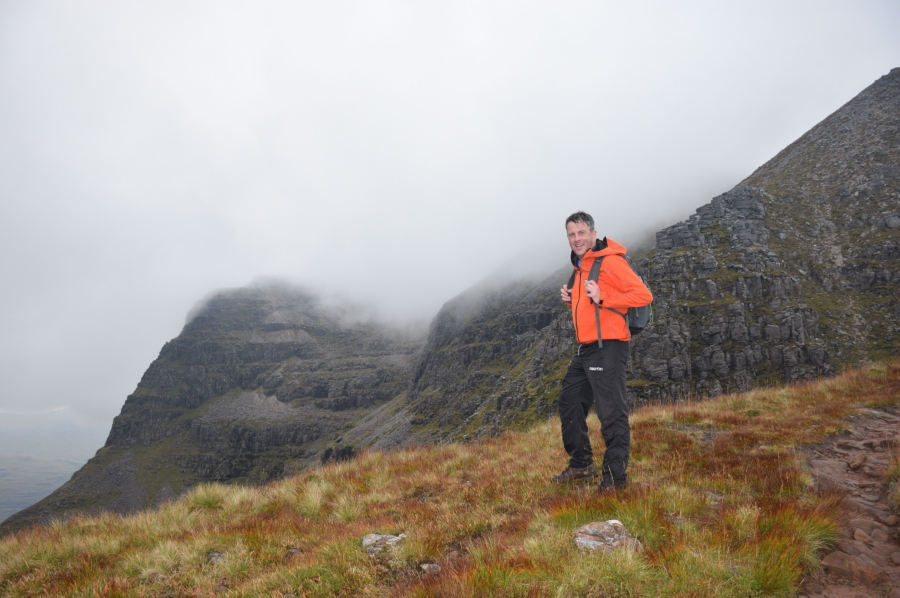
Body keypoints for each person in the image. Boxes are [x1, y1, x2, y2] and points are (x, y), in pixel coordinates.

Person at [552, 211, 652, 491]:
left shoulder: (610, 261)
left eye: (581, 233)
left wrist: (604, 297)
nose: (576, 238)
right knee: (570, 402)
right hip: (587, 348)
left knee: (611, 413)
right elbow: (590, 302)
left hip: (608, 346)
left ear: (593, 234)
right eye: (572, 234)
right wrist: (573, 297)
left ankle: (615, 480)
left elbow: (643, 295)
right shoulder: (581, 265)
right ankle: (582, 465)